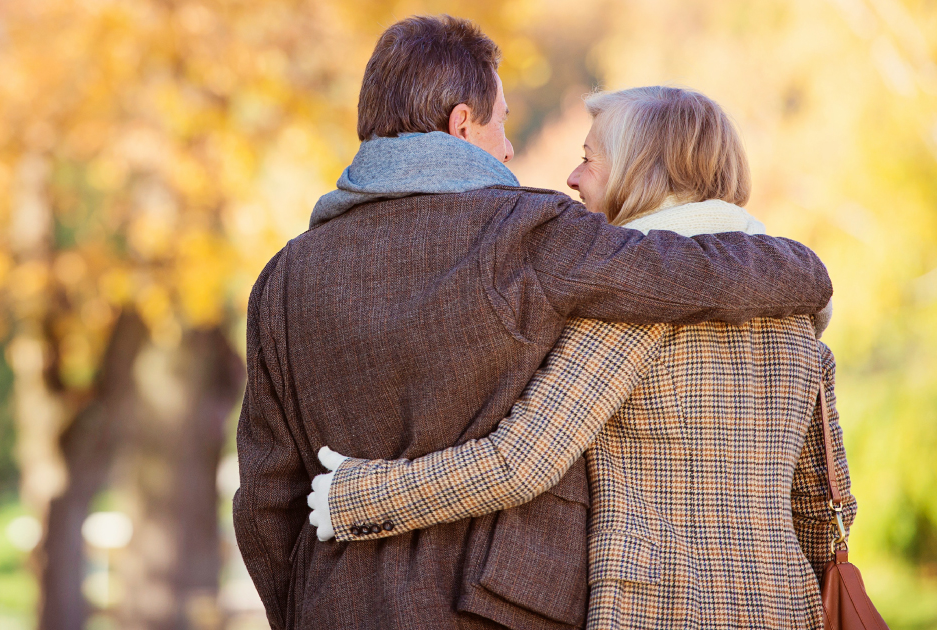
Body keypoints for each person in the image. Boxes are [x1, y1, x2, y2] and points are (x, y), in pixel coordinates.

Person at [234, 15, 833, 630]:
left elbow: (263, 499)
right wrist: (802, 270)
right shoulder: (531, 234)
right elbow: (684, 271)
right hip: (501, 607)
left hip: (333, 604)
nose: (512, 149)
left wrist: (302, 607)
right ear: (461, 124)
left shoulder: (281, 279)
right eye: (502, 122)